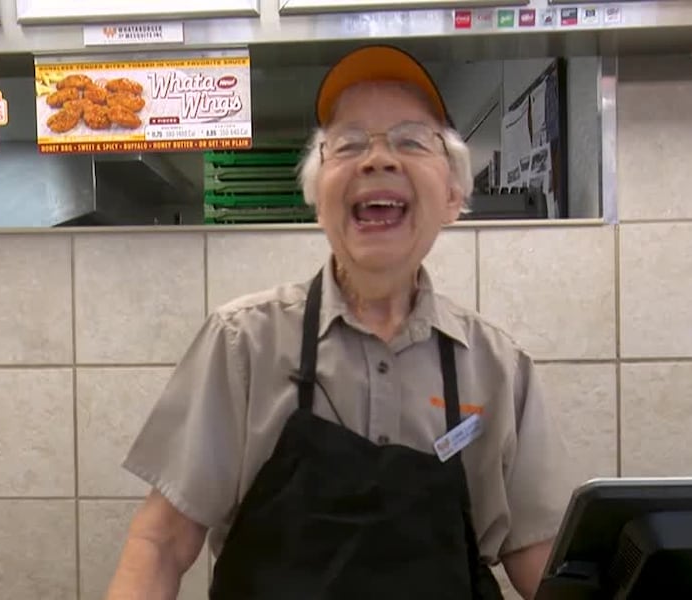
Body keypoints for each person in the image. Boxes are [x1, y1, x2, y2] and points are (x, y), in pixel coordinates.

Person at [104, 44, 574, 600]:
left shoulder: (498, 366)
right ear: (318, 197)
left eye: (410, 140)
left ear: (452, 196)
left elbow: (541, 560)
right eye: (349, 143)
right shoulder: (243, 343)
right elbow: (161, 543)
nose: (378, 159)